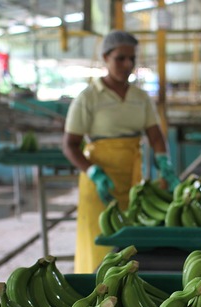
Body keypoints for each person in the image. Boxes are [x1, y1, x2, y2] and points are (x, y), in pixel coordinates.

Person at [62, 30, 178, 273]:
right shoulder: (88, 98)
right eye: (120, 58)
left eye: (132, 59)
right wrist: (93, 172)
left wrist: (163, 161)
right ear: (105, 58)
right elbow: (70, 145)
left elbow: (155, 136)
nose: (127, 65)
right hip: (99, 185)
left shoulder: (140, 98)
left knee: (129, 249)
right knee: (100, 248)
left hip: (133, 181)